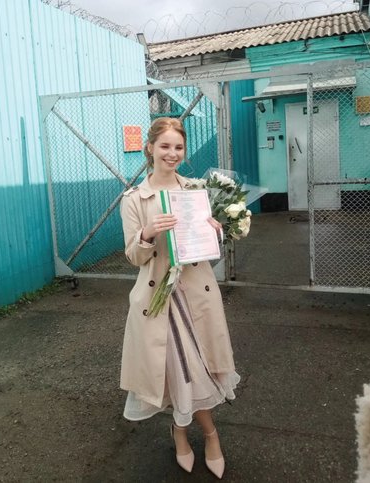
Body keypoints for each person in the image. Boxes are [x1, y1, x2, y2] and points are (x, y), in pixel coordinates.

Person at [120, 117, 239, 478]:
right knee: (178, 373)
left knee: (200, 368)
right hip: (159, 301)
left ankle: (198, 432)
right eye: (165, 146)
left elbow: (205, 250)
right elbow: (133, 257)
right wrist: (147, 233)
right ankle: (193, 433)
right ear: (150, 150)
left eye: (178, 148)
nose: (172, 154)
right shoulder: (134, 199)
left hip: (195, 294)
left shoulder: (198, 190)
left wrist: (217, 230)